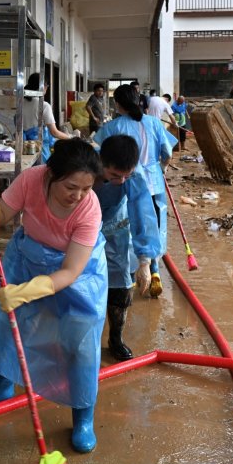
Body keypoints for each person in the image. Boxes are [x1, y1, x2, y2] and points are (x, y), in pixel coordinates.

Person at [0, 138, 106, 453]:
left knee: (80, 342)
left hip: (78, 272)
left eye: (87, 188)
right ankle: (1, 388)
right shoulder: (31, 179)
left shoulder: (89, 207)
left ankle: (83, 416)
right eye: (71, 187)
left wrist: (29, 291)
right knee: (9, 325)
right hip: (28, 257)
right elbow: (4, 213)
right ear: (51, 174)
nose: (79, 195)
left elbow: (70, 272)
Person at [92, 84, 177, 299]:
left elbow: (98, 154)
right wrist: (162, 169)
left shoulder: (112, 127)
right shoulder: (154, 124)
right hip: (153, 181)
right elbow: (168, 153)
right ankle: (152, 269)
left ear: (117, 104)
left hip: (121, 183)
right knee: (152, 223)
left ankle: (135, 268)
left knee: (123, 225)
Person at [95, 135, 160, 361]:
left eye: (126, 175)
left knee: (120, 290)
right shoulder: (85, 168)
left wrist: (145, 262)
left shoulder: (134, 176)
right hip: (82, 233)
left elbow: (143, 216)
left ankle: (116, 339)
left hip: (117, 233)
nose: (121, 180)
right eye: (114, 175)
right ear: (101, 163)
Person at [20, 72, 71, 163]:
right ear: (43, 86)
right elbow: (54, 132)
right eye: (47, 86)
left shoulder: (20, 103)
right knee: (40, 173)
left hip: (23, 148)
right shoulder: (43, 105)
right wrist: (71, 138)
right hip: (39, 149)